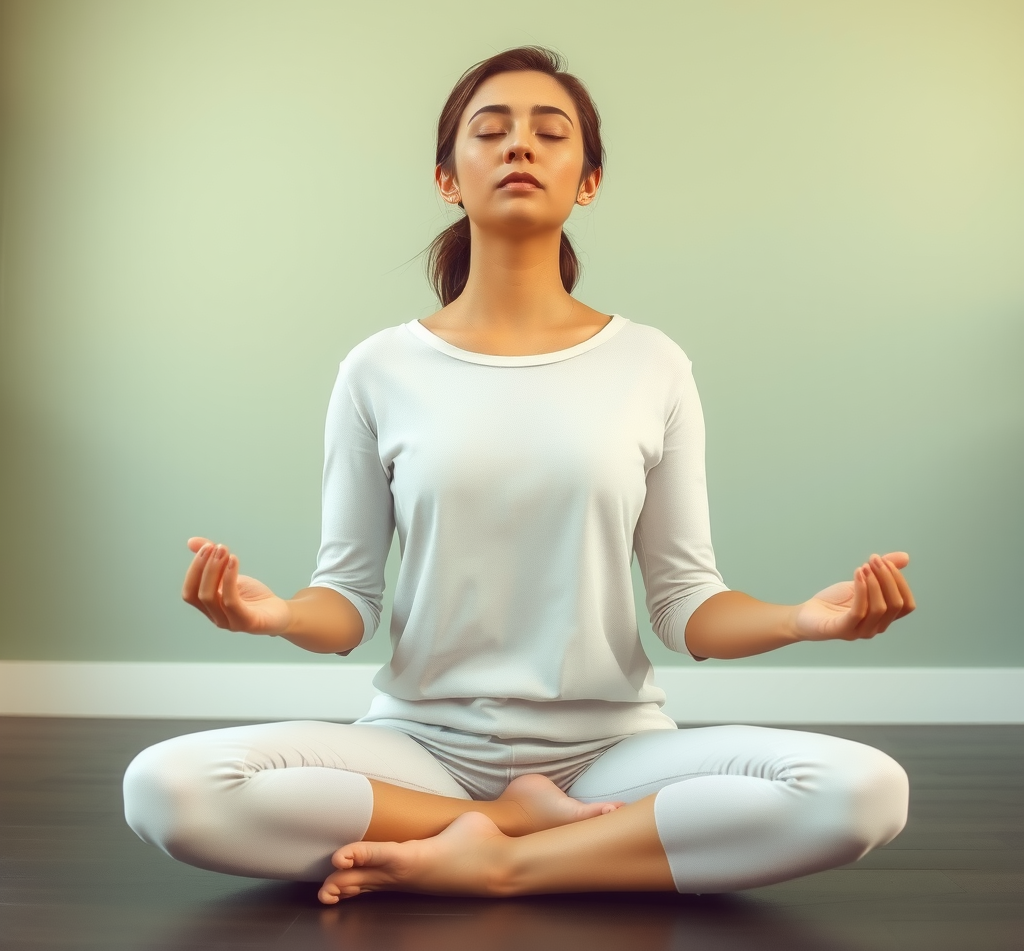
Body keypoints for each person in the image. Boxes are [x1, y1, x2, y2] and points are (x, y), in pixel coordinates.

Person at [123, 46, 914, 904]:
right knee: (166, 787)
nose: (519, 147)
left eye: (551, 132)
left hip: (613, 750)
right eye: (490, 130)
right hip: (420, 746)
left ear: (589, 182)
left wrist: (804, 619)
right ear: (447, 178)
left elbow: (687, 606)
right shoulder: (379, 369)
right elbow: (346, 605)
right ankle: (519, 821)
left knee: (865, 791)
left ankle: (498, 861)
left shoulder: (652, 363)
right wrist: (272, 614)